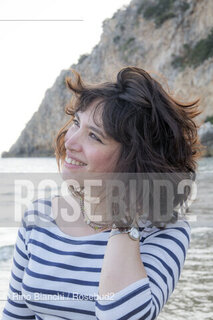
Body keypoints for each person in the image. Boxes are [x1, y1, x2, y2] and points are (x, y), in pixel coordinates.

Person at [2, 66, 203, 320]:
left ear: (133, 157)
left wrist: (121, 221)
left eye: (94, 136)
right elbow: (15, 315)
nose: (70, 142)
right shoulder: (38, 216)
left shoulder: (164, 231)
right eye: (76, 123)